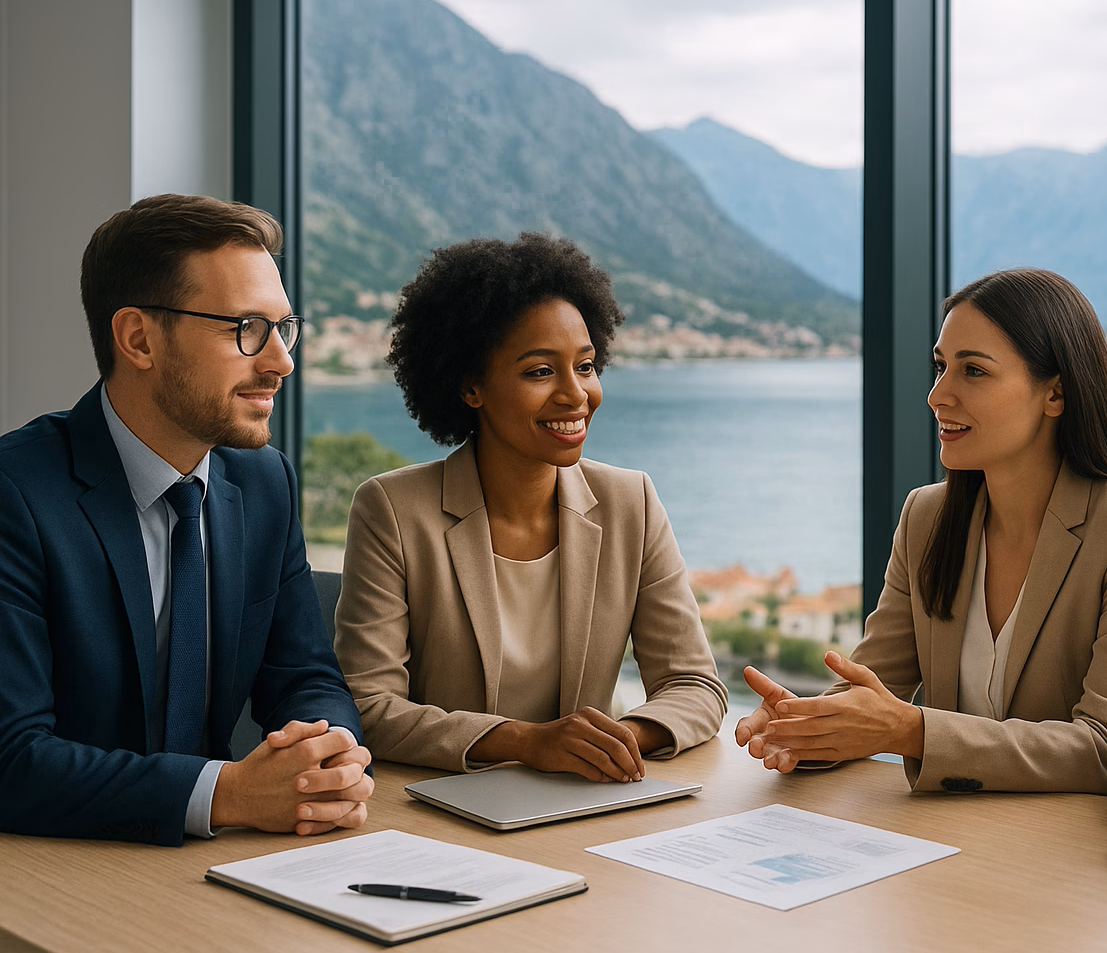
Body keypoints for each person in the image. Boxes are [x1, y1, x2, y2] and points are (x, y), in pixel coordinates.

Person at [0, 194, 372, 846]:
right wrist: (227, 794)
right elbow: (11, 759)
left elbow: (307, 677)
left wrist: (328, 758)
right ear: (139, 339)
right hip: (53, 872)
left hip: (216, 867)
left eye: (284, 328)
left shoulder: (265, 483)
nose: (282, 361)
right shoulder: (15, 494)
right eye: (245, 329)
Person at [736, 269, 1107, 793]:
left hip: (1064, 858)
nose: (937, 395)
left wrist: (913, 731)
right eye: (940, 367)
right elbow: (874, 695)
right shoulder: (926, 517)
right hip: (943, 846)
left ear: (1056, 393)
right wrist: (802, 727)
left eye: (973, 371)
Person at [333, 233, 728, 779]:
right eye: (541, 371)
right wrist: (524, 742)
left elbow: (695, 684)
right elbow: (368, 708)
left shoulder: (630, 502)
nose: (576, 394)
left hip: (584, 798)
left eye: (586, 367)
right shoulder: (393, 512)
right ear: (471, 387)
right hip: (444, 809)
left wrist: (611, 742)